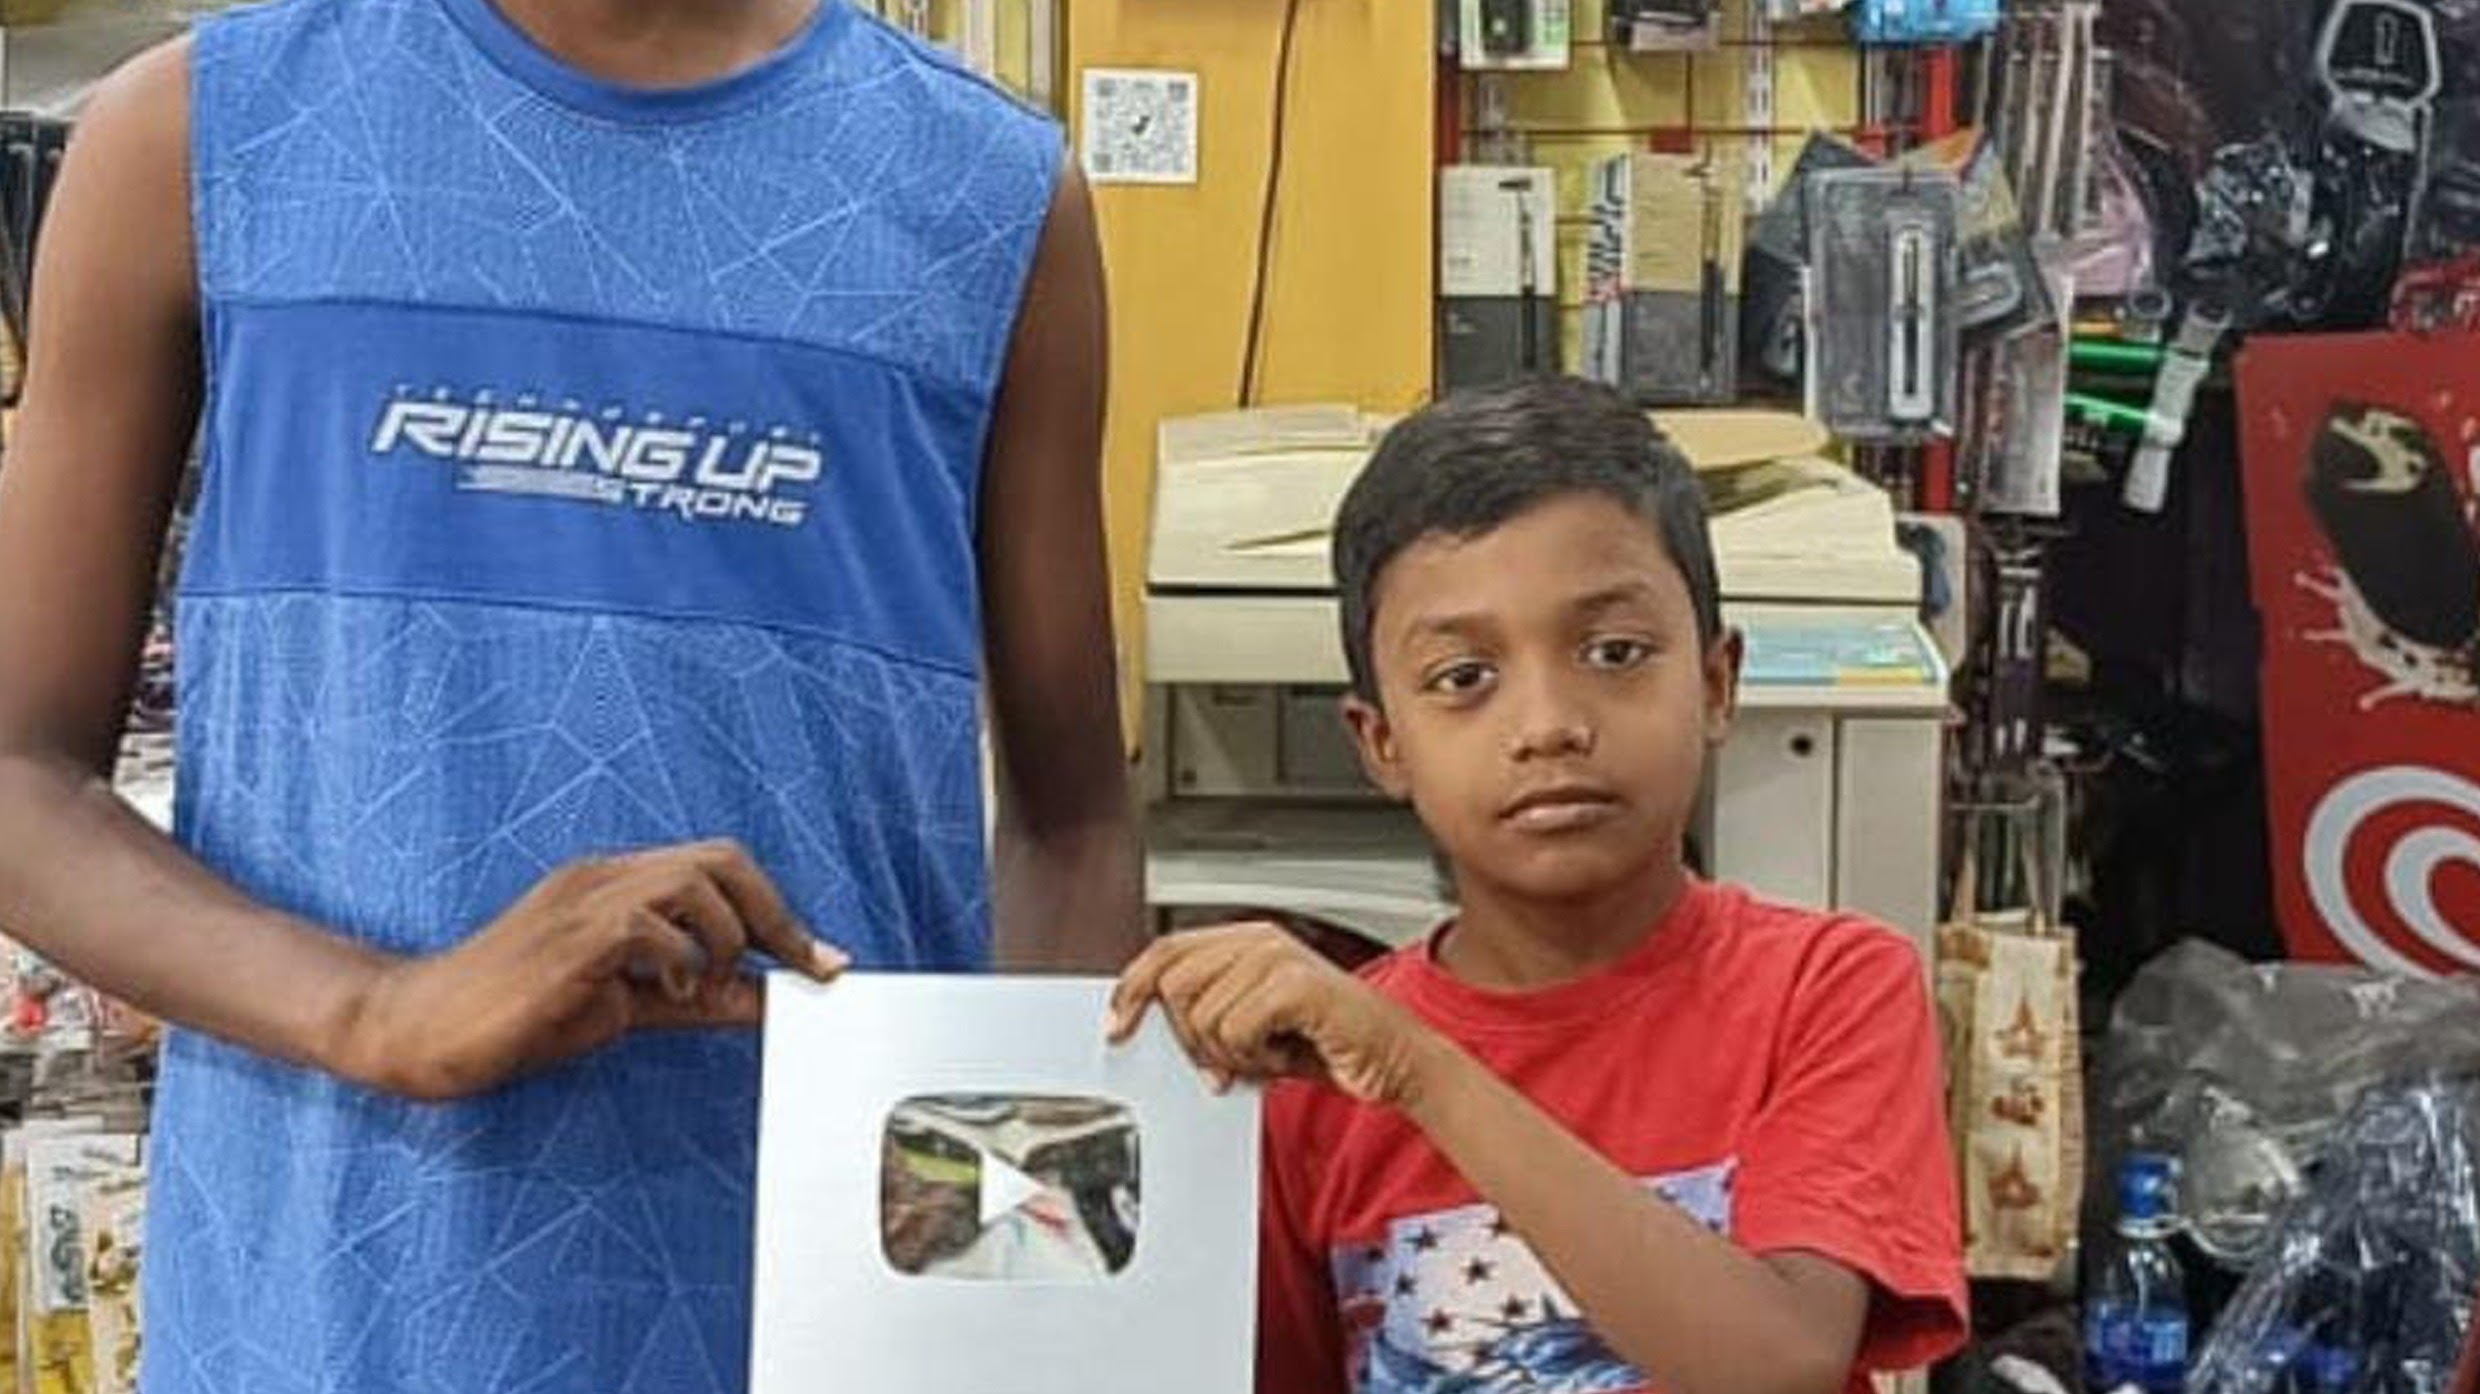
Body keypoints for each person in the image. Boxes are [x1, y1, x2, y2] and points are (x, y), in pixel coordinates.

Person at [0, 0, 1139, 1391]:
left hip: (840, 1306)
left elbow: (1073, 822)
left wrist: (1042, 1319)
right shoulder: (193, 134)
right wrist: (378, 1008)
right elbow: (20, 776)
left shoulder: (989, 193)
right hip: (340, 1314)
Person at [1110, 376, 1966, 1394]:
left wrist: (1418, 1070)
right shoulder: (1305, 1101)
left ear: (1715, 683)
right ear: (1381, 743)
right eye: (1463, 678)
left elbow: (1782, 1363)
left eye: (1614, 652)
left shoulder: (1828, 987)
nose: (1548, 724)